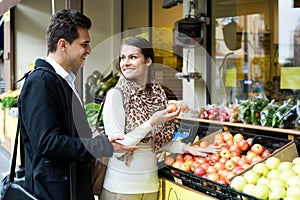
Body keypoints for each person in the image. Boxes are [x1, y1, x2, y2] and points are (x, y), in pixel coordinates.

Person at [18, 9, 137, 200]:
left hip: (70, 189)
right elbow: (47, 143)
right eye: (84, 44)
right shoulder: (40, 82)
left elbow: (68, 135)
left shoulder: (63, 80)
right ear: (63, 45)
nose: (89, 50)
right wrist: (101, 145)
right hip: (54, 193)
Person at [100, 37, 219, 200]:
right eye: (122, 58)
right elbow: (120, 144)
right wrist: (152, 121)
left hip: (150, 185)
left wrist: (186, 148)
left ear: (148, 61)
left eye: (132, 57)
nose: (125, 62)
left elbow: (157, 142)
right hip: (121, 188)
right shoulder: (116, 95)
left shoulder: (156, 95)